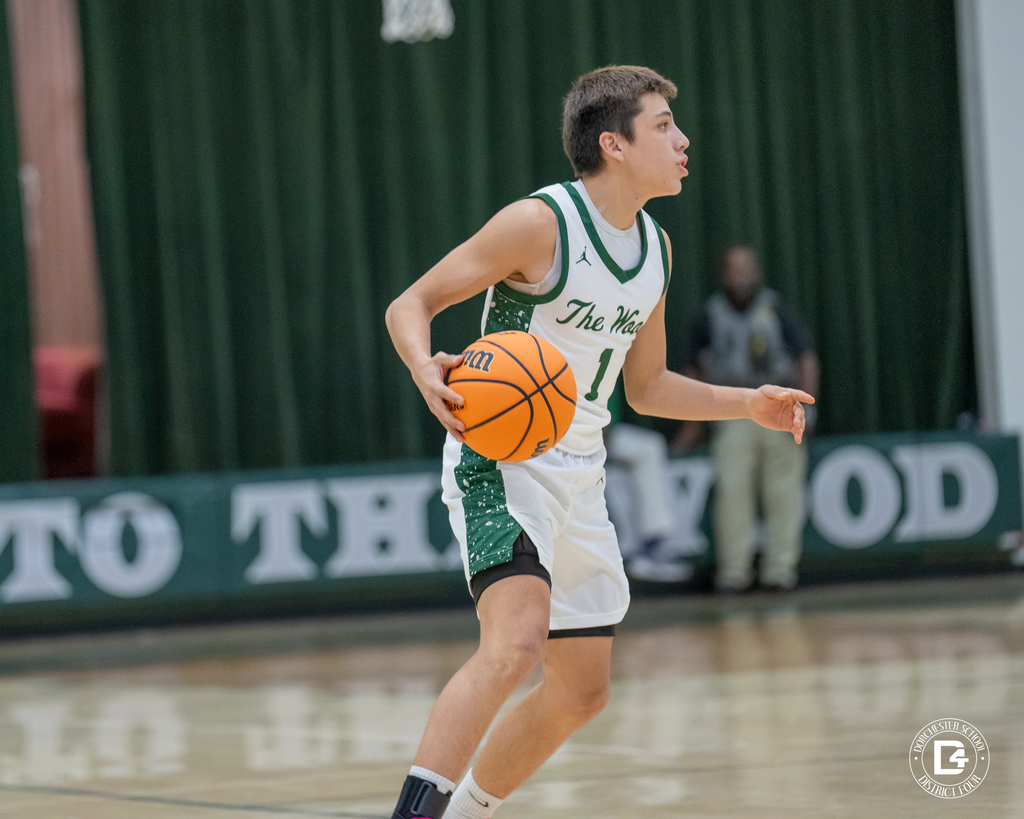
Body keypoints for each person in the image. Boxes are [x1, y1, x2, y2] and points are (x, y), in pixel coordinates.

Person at [384, 66, 814, 819]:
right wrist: (425, 366)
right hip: (502, 459)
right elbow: (410, 302)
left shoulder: (656, 250)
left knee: (582, 690)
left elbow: (644, 387)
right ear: (613, 144)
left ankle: (465, 812)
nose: (683, 142)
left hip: (581, 469)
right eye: (663, 128)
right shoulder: (539, 224)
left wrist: (750, 402)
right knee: (513, 643)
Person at [677, 245, 820, 593]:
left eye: (746, 268)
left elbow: (806, 356)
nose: (740, 275)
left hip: (779, 409)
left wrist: (808, 407)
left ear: (756, 271)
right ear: (722, 273)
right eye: (733, 269)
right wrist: (693, 419)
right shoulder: (710, 315)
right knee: (732, 492)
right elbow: (690, 367)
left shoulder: (776, 309)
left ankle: (780, 571)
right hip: (731, 411)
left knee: (783, 492)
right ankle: (734, 573)